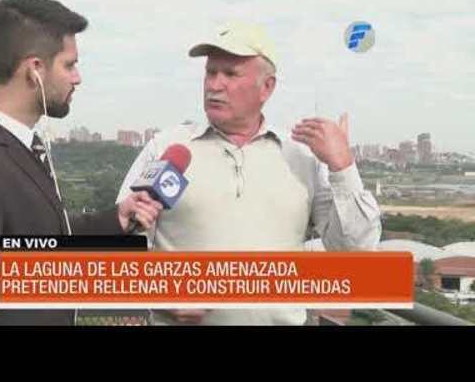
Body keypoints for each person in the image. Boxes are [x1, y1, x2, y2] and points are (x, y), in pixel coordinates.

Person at [116, 21, 382, 326]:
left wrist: (343, 167)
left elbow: (358, 254)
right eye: (210, 72)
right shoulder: (168, 148)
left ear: (266, 87)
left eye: (230, 74)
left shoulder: (302, 157)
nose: (214, 85)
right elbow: (123, 250)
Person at [0, 0, 163, 326]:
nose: (77, 77)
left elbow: (40, 236)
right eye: (69, 64)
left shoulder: (20, 147)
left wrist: (115, 220)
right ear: (35, 70)